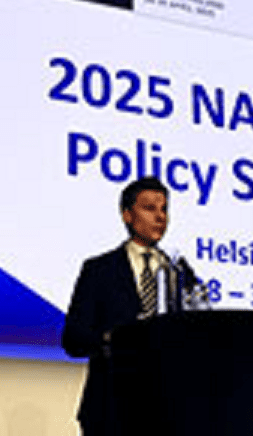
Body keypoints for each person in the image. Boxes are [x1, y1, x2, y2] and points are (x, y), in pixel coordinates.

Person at [61, 176, 192, 435]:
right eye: (150, 208)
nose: (160, 217)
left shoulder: (179, 271)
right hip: (110, 406)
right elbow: (73, 339)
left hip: (167, 409)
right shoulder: (99, 269)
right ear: (127, 215)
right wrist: (116, 338)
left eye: (164, 209)